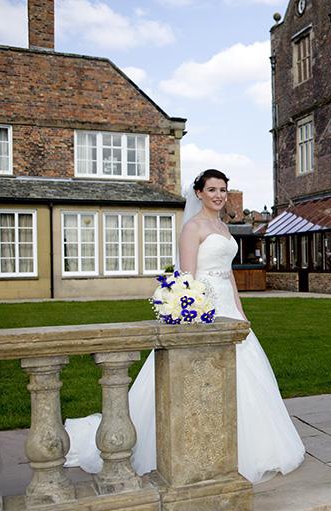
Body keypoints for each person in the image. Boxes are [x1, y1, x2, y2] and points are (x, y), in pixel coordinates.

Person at [65, 169, 305, 484]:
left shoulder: (222, 226)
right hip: (205, 307)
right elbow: (188, 276)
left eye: (223, 190)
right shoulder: (192, 227)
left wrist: (241, 311)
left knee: (246, 374)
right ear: (199, 193)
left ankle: (256, 449)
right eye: (212, 190)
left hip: (228, 307)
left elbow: (228, 273)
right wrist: (193, 311)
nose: (219, 195)